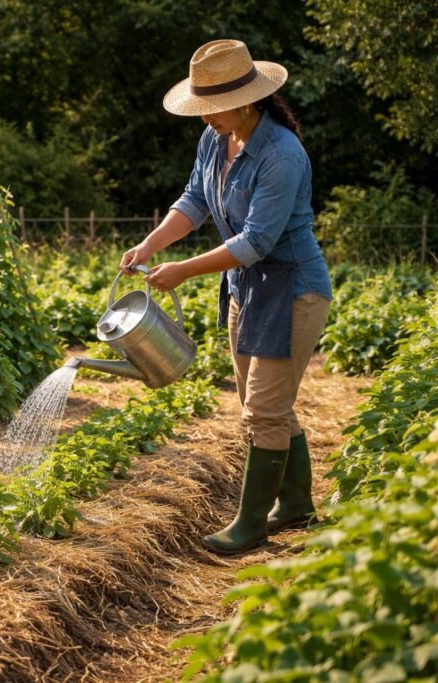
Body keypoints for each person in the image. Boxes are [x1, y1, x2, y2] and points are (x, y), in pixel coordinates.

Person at [119, 39, 332, 555]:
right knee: (262, 405)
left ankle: (251, 522)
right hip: (247, 288)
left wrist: (183, 270)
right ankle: (298, 504)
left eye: (213, 108)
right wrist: (150, 244)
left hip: (294, 288)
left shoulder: (282, 154)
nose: (206, 117)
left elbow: (257, 241)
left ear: (246, 100)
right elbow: (194, 201)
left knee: (264, 408)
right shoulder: (216, 140)